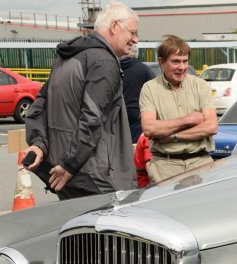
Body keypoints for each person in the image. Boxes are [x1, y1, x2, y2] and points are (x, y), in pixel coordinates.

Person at [22, 1, 138, 199]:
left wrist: (38, 143)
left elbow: (38, 107)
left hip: (62, 171)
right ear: (115, 26)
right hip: (92, 176)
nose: (135, 40)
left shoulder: (66, 58)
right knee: (103, 229)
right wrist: (70, 165)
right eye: (133, 33)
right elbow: (92, 119)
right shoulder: (103, 61)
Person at [139, 35, 218, 183]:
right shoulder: (150, 88)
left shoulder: (200, 85)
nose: (181, 67)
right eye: (176, 61)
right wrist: (187, 120)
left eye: (185, 61)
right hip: (165, 167)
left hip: (201, 163)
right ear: (161, 62)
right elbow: (149, 128)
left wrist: (173, 136)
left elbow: (211, 126)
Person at [120, 44, 155, 143]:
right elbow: (154, 89)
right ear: (136, 53)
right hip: (137, 113)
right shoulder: (144, 69)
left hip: (118, 112)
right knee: (136, 143)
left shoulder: (114, 67)